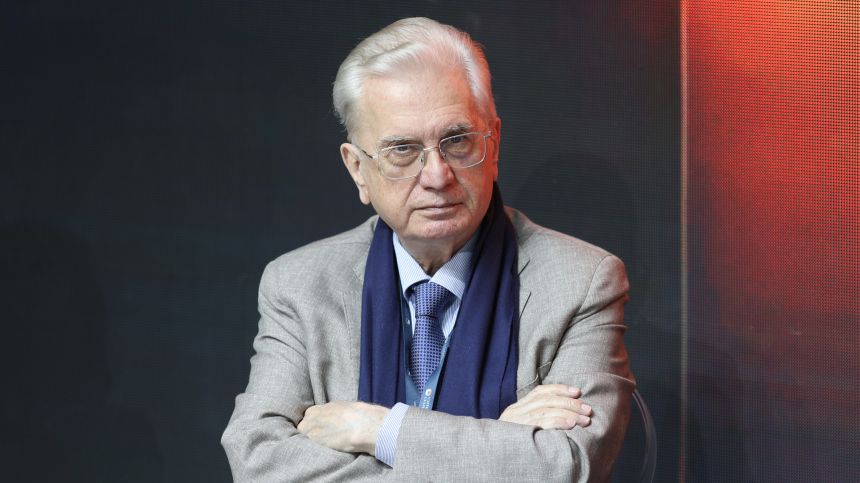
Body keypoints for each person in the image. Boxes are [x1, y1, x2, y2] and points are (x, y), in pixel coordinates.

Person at [222, 17, 635, 482]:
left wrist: (381, 430)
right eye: (402, 149)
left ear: (494, 145)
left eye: (457, 141)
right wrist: (499, 445)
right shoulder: (298, 285)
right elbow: (258, 461)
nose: (437, 176)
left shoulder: (582, 282)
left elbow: (567, 468)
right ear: (358, 170)